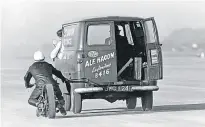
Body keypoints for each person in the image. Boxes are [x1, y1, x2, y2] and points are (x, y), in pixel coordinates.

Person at [24, 51, 67, 116]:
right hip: (53, 84)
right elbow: (58, 73)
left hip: (40, 87)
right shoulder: (48, 65)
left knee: (31, 100)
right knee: (59, 96)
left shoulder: (32, 67)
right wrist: (63, 79)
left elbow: (26, 78)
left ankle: (40, 104)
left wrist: (27, 85)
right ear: (43, 58)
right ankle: (59, 104)